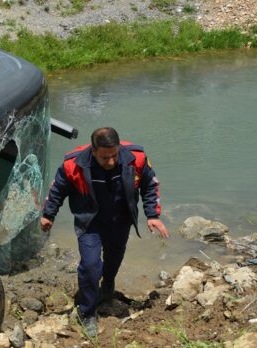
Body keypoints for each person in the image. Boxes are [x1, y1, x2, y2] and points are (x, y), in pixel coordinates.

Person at [40, 127, 169, 338]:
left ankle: (108, 286)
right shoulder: (74, 164)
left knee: (113, 258)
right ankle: (87, 312)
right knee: (90, 265)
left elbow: (150, 185)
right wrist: (48, 214)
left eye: (114, 155)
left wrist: (152, 215)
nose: (110, 161)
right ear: (93, 151)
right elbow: (57, 189)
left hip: (121, 219)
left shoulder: (135, 158)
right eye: (104, 157)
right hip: (90, 221)